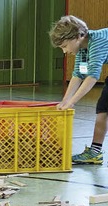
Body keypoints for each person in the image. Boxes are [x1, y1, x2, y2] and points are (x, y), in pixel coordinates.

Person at [49, 15, 108, 165]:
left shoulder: (97, 42)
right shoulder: (83, 48)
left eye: (64, 46)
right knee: (103, 109)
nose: (64, 51)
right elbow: (78, 75)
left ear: (78, 36)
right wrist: (65, 100)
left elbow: (92, 76)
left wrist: (72, 102)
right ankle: (94, 153)